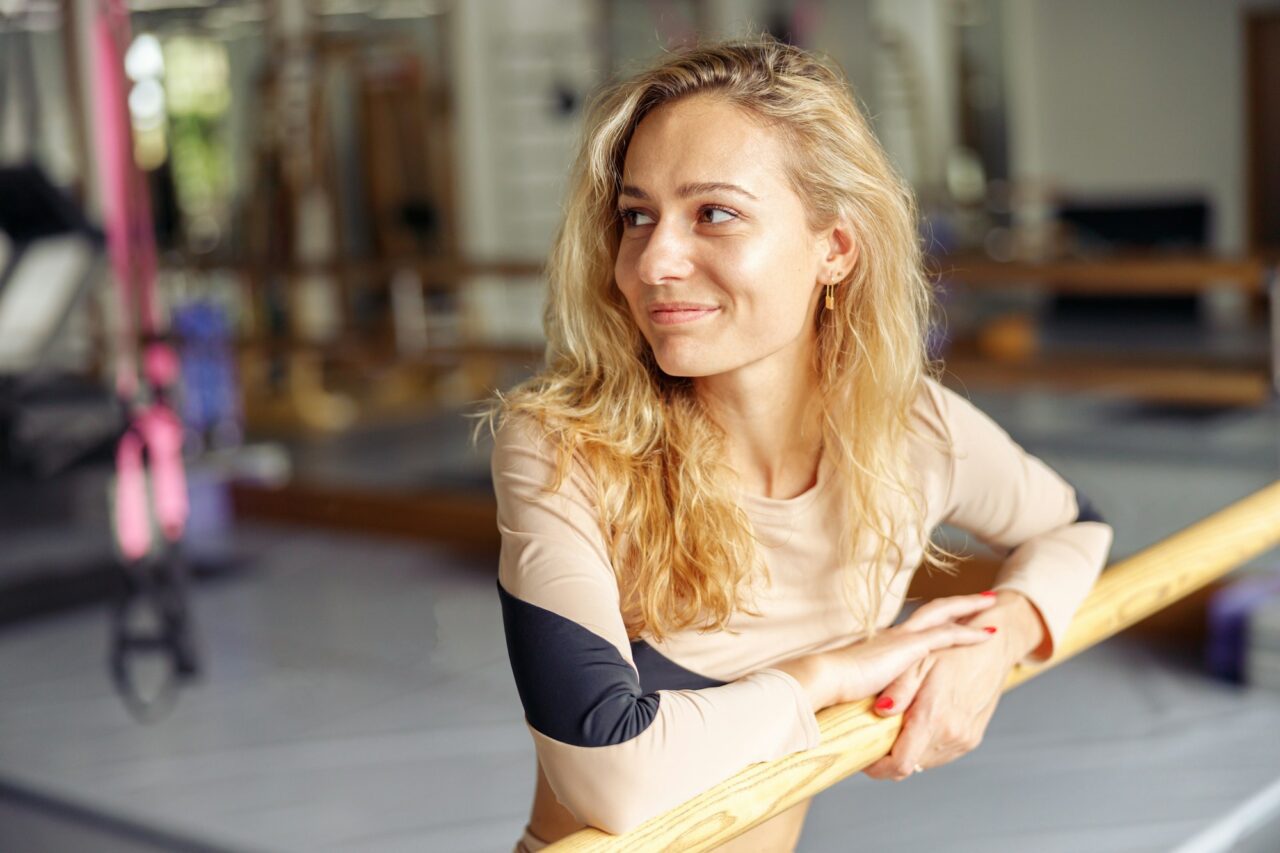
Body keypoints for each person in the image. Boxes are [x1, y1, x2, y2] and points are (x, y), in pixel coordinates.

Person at [475, 36, 1113, 852]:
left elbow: (1074, 523)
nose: (654, 261)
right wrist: (832, 673)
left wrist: (993, 644)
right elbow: (613, 771)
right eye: (638, 216)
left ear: (834, 248)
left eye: (714, 213)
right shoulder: (566, 448)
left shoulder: (911, 427)